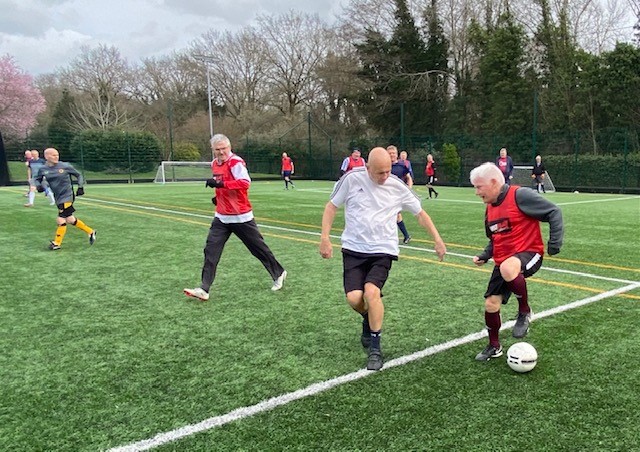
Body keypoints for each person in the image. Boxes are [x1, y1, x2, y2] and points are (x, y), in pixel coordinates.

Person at [320, 147, 446, 371]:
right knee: (353, 299)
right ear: (368, 168)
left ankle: (376, 349)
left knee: (371, 292)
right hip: (353, 249)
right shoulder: (351, 179)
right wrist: (325, 238)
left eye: (388, 171)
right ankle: (367, 318)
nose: (385, 176)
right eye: (380, 173)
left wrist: (437, 239)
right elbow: (331, 207)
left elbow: (420, 214)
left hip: (383, 250)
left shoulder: (397, 186)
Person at [470, 162, 563, 361]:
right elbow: (494, 238)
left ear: (494, 182)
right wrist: (485, 255)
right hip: (504, 263)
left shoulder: (519, 195)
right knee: (491, 304)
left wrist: (554, 242)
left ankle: (524, 311)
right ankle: (494, 346)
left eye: (479, 187)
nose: (476, 192)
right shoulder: (490, 209)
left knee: (508, 267)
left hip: (530, 254)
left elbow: (554, 212)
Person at [184, 134, 287, 301]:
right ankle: (204, 288)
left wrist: (221, 185)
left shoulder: (235, 162)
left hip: (241, 217)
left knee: (258, 249)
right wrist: (218, 197)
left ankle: (279, 272)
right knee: (211, 250)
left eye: (224, 148)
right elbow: (222, 185)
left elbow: (245, 183)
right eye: (218, 149)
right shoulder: (214, 164)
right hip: (221, 218)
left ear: (229, 147)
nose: (221, 152)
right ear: (213, 150)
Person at [35, 148, 97, 250]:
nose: (56, 157)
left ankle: (57, 243)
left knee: (60, 219)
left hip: (67, 196)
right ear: (46, 156)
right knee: (70, 219)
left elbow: (79, 175)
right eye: (53, 155)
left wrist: (80, 186)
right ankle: (90, 232)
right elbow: (37, 179)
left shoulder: (65, 166)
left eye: (57, 155)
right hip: (58, 197)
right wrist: (39, 186)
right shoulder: (43, 169)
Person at [386, 145, 413, 244]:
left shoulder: (401, 166)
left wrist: (409, 189)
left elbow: (409, 178)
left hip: (396, 195)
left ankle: (405, 235)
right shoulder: (384, 165)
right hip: (384, 194)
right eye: (389, 153)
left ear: (396, 154)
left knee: (395, 213)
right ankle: (405, 235)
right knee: (392, 215)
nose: (392, 155)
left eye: (393, 153)